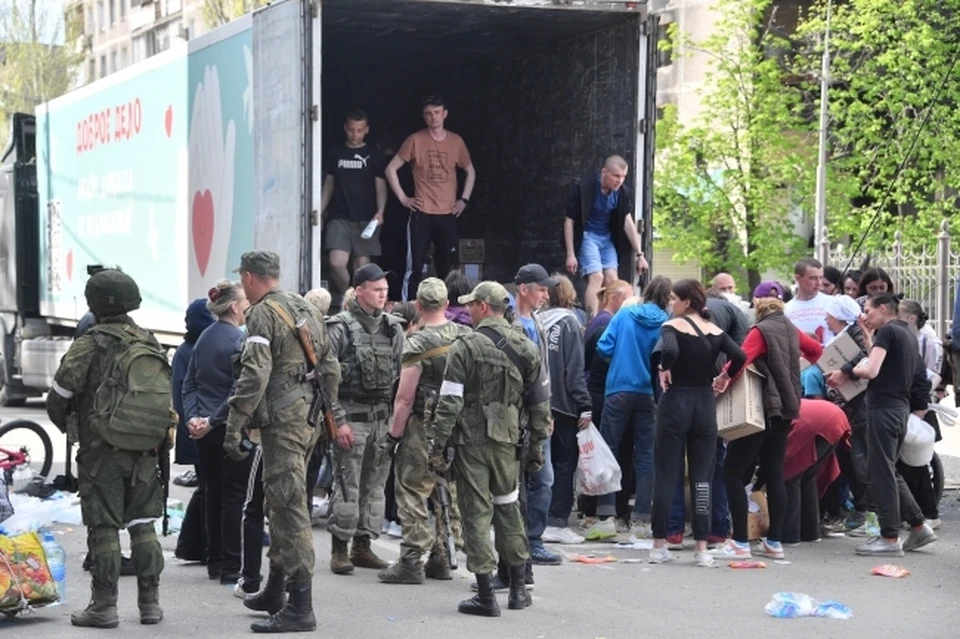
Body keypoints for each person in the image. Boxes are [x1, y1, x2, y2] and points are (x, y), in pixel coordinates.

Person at [223, 250, 343, 633]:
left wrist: (234, 424)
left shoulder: (261, 313)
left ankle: (300, 604)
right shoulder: (304, 307)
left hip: (283, 422)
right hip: (306, 418)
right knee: (278, 499)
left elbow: (255, 374)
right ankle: (275, 589)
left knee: (289, 508)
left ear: (249, 277)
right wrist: (329, 413)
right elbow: (330, 366)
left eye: (243, 278)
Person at [47, 269, 166, 627]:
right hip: (145, 448)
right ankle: (150, 604)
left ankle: (104, 606)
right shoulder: (149, 340)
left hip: (101, 451)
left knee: (104, 527)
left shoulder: (89, 343)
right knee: (143, 523)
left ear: (93, 303)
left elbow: (59, 396)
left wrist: (71, 427)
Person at [428, 281, 551, 616]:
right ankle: (518, 590)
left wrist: (437, 445)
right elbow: (541, 405)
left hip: (471, 444)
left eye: (471, 305)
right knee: (509, 509)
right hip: (508, 443)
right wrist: (537, 445)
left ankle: (485, 595)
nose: (468, 310)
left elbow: (450, 401)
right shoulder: (526, 347)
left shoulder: (465, 346)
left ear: (483, 306)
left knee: (476, 513)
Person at [712, 281, 823, 561]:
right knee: (774, 474)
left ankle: (739, 541)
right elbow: (817, 350)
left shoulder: (761, 330)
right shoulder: (790, 329)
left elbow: (739, 359)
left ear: (757, 304)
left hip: (761, 410)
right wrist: (793, 369)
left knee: (732, 474)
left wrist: (722, 379)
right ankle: (774, 543)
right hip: (787, 410)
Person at [377, 278, 470, 585]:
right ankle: (441, 556)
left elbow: (404, 398)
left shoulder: (416, 343)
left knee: (413, 489)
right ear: (446, 304)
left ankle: (412, 560)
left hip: (421, 424)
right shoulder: (464, 336)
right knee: (446, 489)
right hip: (455, 425)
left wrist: (393, 437)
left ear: (417, 306)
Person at [649, 279, 747, 566]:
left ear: (686, 302)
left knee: (668, 473)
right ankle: (702, 547)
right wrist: (725, 377)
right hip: (705, 404)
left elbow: (670, 351)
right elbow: (740, 355)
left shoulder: (672, 327)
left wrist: (664, 368)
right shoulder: (715, 330)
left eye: (673, 300)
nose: (671, 304)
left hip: (675, 401)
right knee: (703, 477)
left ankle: (659, 543)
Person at [326, 263, 405, 574]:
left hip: (381, 420)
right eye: (376, 289)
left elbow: (401, 377)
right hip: (351, 418)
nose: (383, 294)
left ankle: (363, 546)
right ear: (359, 291)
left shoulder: (393, 328)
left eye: (385, 289)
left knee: (374, 486)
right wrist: (337, 420)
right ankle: (339, 550)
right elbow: (325, 379)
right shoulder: (340, 327)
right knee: (347, 485)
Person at [850, 293, 937, 556]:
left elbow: (872, 370)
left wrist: (855, 369)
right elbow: (882, 362)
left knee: (880, 472)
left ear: (884, 308)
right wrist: (867, 336)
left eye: (868, 310)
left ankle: (889, 538)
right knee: (889, 468)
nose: (865, 316)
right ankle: (919, 526)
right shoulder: (906, 333)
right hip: (900, 408)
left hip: (883, 408)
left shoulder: (888, 331)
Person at [182, 281, 250, 585]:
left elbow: (190, 383)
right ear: (234, 306)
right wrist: (211, 420)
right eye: (245, 301)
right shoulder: (239, 340)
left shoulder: (204, 338)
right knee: (234, 497)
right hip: (229, 427)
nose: (248, 305)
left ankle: (215, 561)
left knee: (212, 492)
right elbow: (239, 391)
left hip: (205, 429)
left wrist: (195, 417)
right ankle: (231, 567)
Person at [593, 276, 670, 538]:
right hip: (648, 393)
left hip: (618, 389)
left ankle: (606, 514)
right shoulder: (665, 322)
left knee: (609, 451)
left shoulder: (625, 315)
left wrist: (618, 361)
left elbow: (603, 347)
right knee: (646, 456)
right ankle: (641, 519)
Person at [385, 95, 476, 301]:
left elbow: (470, 170)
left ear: (445, 114)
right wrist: (403, 198)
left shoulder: (456, 141)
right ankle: (408, 309)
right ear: (424, 117)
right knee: (414, 266)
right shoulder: (416, 140)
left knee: (449, 266)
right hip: (421, 211)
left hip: (447, 212)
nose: (433, 117)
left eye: (436, 113)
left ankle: (450, 309)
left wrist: (464, 200)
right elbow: (391, 169)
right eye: (428, 114)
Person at [510, 264, 560, 567]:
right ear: (524, 289)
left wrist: (547, 409)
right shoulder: (506, 322)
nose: (545, 295)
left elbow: (544, 373)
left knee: (544, 478)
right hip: (512, 414)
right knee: (512, 482)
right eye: (541, 289)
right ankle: (514, 544)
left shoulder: (539, 323)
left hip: (538, 413)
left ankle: (535, 540)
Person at [539, 274, 593, 545]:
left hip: (538, 401)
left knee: (537, 462)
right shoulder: (570, 322)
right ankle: (557, 520)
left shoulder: (536, 320)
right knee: (564, 463)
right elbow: (574, 371)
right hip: (564, 404)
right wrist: (584, 404)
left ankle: (535, 516)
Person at [579, 279, 633, 538]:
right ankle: (594, 509)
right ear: (615, 298)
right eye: (629, 299)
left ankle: (591, 509)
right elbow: (596, 359)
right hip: (600, 393)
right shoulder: (606, 324)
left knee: (597, 454)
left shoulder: (600, 321)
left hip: (597, 392)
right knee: (602, 455)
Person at [562, 155, 648, 318]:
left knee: (612, 281)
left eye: (623, 176)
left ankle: (610, 319)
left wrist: (640, 255)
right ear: (604, 172)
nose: (620, 180)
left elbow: (628, 223)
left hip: (607, 238)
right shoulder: (584, 189)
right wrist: (571, 254)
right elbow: (569, 222)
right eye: (616, 176)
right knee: (597, 277)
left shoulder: (622, 193)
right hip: (588, 236)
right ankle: (592, 321)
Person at [321, 110, 388, 296]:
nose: (355, 134)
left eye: (359, 130)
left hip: (366, 218)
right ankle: (348, 296)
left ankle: (356, 300)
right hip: (339, 216)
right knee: (336, 262)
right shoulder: (335, 152)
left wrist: (381, 211)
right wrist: (320, 209)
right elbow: (329, 183)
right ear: (345, 128)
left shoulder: (373, 154)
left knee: (362, 266)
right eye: (351, 130)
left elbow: (381, 187)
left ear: (366, 130)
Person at [172, 299, 215, 564]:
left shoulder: (188, 349)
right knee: (208, 488)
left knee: (207, 487)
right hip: (198, 430)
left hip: (195, 428)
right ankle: (195, 545)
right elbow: (183, 395)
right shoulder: (191, 351)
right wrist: (197, 424)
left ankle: (193, 545)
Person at [781, 399, 851, 545]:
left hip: (815, 422)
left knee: (791, 477)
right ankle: (810, 532)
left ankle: (789, 534)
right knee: (808, 477)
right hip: (833, 416)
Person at [784, 257, 833, 343]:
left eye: (820, 278)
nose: (818, 283)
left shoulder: (832, 302)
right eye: (813, 278)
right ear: (798, 278)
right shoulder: (786, 309)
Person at [899, 300, 944, 384]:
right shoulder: (897, 339)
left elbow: (930, 372)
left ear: (912, 318)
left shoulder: (927, 343)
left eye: (898, 318)